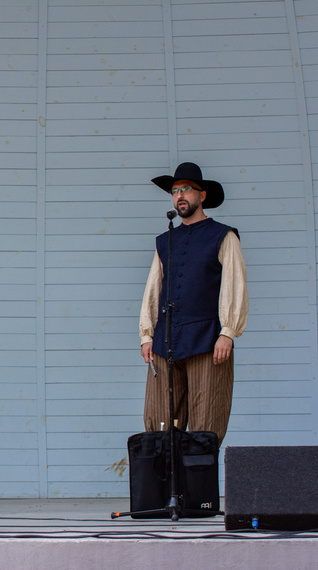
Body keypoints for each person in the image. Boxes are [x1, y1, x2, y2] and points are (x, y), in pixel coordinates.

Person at [139, 162, 249, 444]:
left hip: (208, 342)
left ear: (202, 195)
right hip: (166, 342)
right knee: (160, 423)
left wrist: (228, 332)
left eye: (186, 189)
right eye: (175, 191)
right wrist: (146, 334)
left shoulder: (224, 236)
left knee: (206, 423)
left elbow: (234, 285)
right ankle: (164, 488)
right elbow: (154, 287)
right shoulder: (165, 240)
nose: (179, 195)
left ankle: (199, 489)